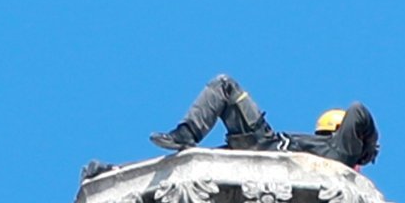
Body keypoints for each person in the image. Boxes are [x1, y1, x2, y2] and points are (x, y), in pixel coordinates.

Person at [150, 74, 379, 169]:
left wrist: (368, 147)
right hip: (262, 150)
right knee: (192, 162)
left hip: (263, 144)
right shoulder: (332, 151)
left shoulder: (341, 152)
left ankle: (187, 134)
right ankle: (120, 170)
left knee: (225, 85)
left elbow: (358, 110)